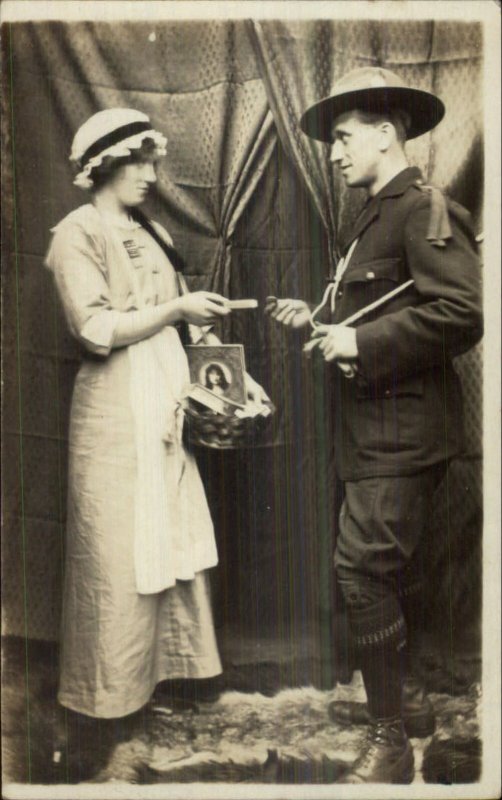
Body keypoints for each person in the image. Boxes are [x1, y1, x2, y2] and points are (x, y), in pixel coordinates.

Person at [265, 67, 482, 783]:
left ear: (388, 136)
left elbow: (463, 312)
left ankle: (390, 745)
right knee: (389, 570)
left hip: (402, 432)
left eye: (345, 137)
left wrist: (357, 344)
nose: (333, 153)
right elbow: (382, 305)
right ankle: (407, 702)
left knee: (362, 571)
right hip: (373, 431)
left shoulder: (422, 208)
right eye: (331, 142)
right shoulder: (371, 216)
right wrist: (324, 321)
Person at [46, 108, 267, 775]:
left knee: (165, 548)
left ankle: (151, 687)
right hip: (114, 416)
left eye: (150, 161)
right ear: (104, 165)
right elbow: (94, 328)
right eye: (139, 163)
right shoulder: (75, 235)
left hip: (164, 410)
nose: (150, 175)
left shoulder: (152, 229)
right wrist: (177, 309)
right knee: (115, 558)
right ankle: (101, 706)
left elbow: (182, 326)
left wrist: (227, 368)